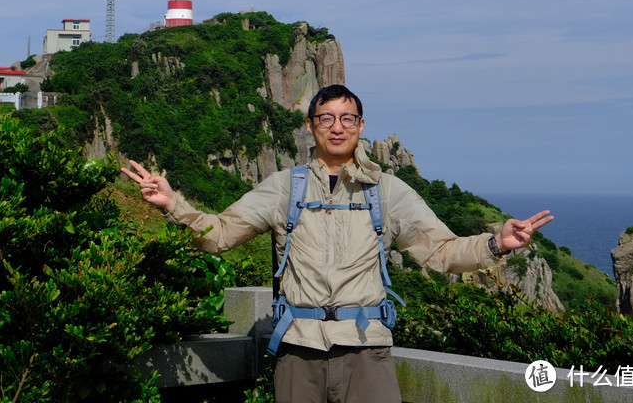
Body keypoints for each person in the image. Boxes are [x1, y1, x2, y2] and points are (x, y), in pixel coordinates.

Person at [122, 84, 553, 403]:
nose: (337, 127)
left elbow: (440, 252)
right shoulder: (283, 188)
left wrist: (496, 243)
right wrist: (173, 204)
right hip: (298, 351)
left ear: (361, 126)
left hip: (367, 351)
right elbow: (218, 235)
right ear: (311, 127)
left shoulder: (387, 191)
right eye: (326, 118)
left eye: (348, 118)